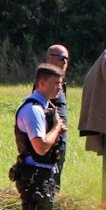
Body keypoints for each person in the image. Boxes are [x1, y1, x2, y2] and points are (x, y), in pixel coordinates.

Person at [10, 64, 66, 210]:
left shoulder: (46, 108)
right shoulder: (33, 110)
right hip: (34, 178)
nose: (59, 87)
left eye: (60, 83)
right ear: (41, 83)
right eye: (55, 83)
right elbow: (41, 146)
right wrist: (57, 128)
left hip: (45, 178)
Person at [44, 44, 71, 186]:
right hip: (50, 137)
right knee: (49, 177)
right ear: (50, 58)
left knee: (57, 176)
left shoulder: (60, 83)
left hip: (59, 137)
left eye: (66, 58)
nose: (64, 61)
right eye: (61, 58)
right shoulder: (45, 82)